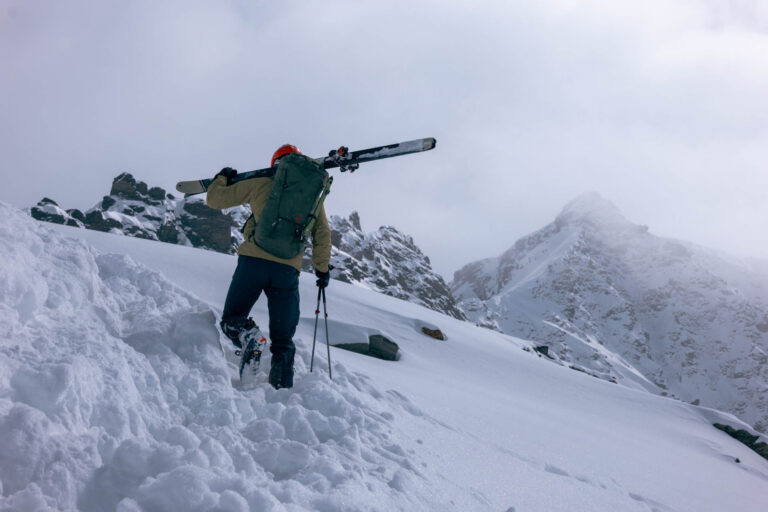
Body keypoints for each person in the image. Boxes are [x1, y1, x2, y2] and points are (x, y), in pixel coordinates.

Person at [206, 144, 332, 389]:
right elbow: (322, 235)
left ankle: (249, 336)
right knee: (283, 340)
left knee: (233, 318)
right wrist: (322, 270)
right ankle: (281, 390)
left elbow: (215, 199)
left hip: (253, 262)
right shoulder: (312, 197)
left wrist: (221, 178)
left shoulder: (261, 183)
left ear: (276, 164)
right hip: (286, 271)